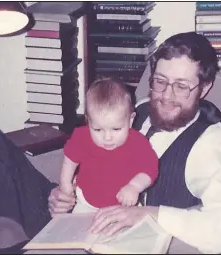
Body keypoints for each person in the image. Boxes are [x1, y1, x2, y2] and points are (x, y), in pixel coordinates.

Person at [0, 32, 221, 254]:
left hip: (104, 238)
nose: (167, 95)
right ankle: (7, 233)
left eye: (182, 86)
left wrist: (149, 213)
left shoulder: (207, 141)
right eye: (160, 81)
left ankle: (4, 235)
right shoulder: (138, 107)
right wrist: (62, 192)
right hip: (76, 211)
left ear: (204, 88)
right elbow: (88, 152)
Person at [60, 78, 158, 214]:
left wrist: (134, 187)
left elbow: (150, 170)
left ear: (130, 120)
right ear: (88, 121)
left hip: (125, 206)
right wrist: (65, 182)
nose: (107, 137)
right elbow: (70, 159)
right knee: (80, 230)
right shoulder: (82, 137)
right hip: (86, 203)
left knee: (133, 230)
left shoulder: (138, 143)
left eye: (116, 129)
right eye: (98, 129)